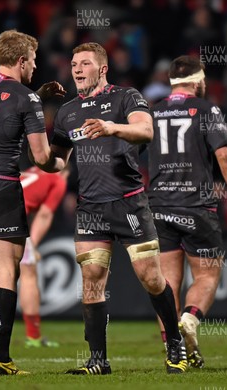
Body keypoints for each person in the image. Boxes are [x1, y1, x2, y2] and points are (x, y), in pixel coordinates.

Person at [49, 42, 188, 375]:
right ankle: (98, 360)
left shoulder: (126, 97)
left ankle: (174, 346)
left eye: (84, 63)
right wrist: (32, 145)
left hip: (129, 202)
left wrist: (112, 128)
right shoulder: (67, 111)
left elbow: (146, 131)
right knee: (92, 280)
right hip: (91, 208)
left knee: (152, 279)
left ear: (102, 68)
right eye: (73, 64)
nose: (77, 69)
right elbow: (55, 162)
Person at [0, 29, 65, 376]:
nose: (35, 65)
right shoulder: (26, 99)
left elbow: (1, 102)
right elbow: (41, 157)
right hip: (0, 186)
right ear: (21, 61)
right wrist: (62, 153)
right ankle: (2, 358)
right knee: (9, 269)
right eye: (32, 60)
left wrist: (32, 94)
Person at [147, 55, 227, 368]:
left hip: (158, 207)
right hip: (196, 207)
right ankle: (190, 321)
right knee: (207, 274)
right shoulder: (207, 109)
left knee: (166, 282)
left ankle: (174, 351)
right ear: (197, 80)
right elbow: (225, 156)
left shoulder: (152, 113)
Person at [0, 165, 69, 347]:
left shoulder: (33, 170)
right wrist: (33, 245)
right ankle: (33, 336)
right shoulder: (58, 179)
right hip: (10, 219)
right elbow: (45, 215)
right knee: (28, 274)